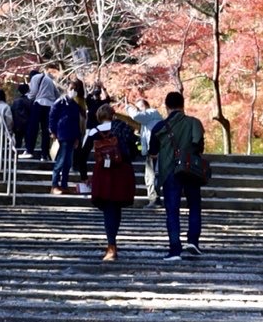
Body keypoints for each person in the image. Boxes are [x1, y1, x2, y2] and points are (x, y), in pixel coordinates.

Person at [80, 99, 142, 262]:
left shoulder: (94, 132)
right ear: (113, 115)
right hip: (122, 171)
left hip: (104, 172)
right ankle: (112, 241)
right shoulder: (124, 128)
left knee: (108, 208)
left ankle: (111, 245)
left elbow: (82, 155)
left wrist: (84, 176)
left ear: (99, 117)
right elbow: (135, 151)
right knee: (117, 206)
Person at [148, 90, 207, 261]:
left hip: (169, 172)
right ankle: (193, 241)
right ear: (183, 105)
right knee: (194, 205)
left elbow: (153, 152)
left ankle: (175, 249)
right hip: (191, 170)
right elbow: (199, 145)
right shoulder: (194, 123)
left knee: (172, 211)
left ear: (166, 107)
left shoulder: (159, 127)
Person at [48, 88, 84, 192]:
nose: (73, 91)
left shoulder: (75, 105)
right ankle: (54, 185)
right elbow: (52, 116)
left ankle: (64, 185)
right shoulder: (60, 102)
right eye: (71, 89)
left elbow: (77, 122)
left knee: (68, 163)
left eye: (75, 89)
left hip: (72, 136)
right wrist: (53, 131)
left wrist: (77, 137)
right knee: (60, 161)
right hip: (62, 135)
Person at [25, 67, 63, 158]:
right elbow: (57, 94)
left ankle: (29, 150)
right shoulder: (49, 80)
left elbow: (33, 93)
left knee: (33, 128)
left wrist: (27, 97)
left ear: (31, 76)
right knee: (46, 130)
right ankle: (44, 154)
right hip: (50, 106)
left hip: (39, 104)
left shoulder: (35, 78)